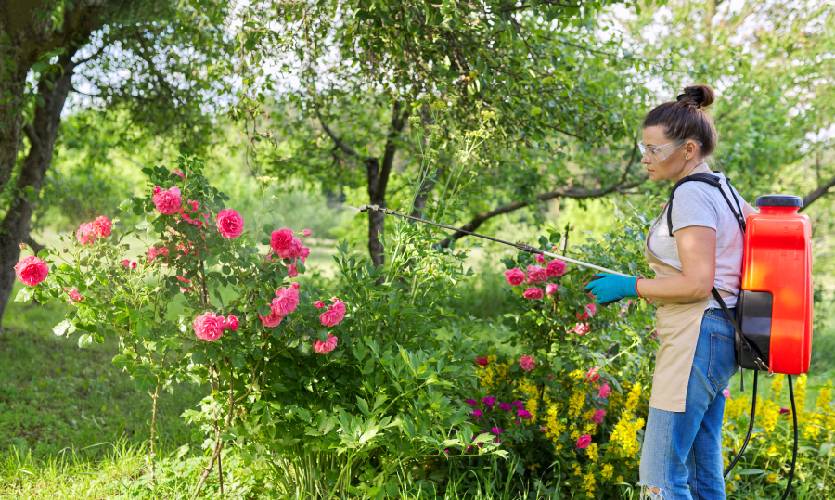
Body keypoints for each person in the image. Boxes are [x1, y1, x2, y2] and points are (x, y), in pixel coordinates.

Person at [584, 84, 755, 499]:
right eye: (642, 147)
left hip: (696, 337)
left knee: (660, 472)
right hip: (718, 336)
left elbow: (699, 283)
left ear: (689, 149)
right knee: (700, 468)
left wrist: (632, 286)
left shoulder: (693, 195)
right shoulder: (722, 189)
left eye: (654, 149)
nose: (645, 158)